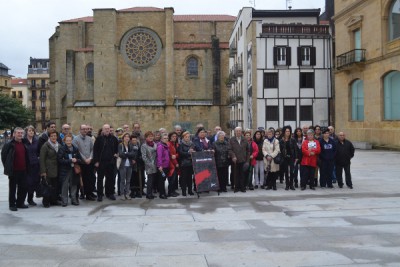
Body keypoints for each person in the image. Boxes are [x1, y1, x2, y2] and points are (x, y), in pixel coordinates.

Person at [1, 127, 29, 211]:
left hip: (23, 170)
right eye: (18, 133)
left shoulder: (24, 143)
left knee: (23, 187)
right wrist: (8, 167)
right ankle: (12, 204)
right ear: (14, 134)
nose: (20, 134)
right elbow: (4, 157)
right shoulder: (9, 144)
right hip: (14, 170)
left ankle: (20, 203)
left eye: (21, 133)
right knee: (12, 188)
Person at [93, 124, 119, 201]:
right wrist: (96, 161)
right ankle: (100, 194)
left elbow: (116, 149)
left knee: (110, 179)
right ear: (103, 130)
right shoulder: (99, 139)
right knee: (100, 179)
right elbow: (95, 151)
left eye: (108, 128)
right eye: (105, 129)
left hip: (111, 162)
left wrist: (116, 154)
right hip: (101, 162)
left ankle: (109, 193)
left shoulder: (114, 139)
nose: (107, 130)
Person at [73, 124, 96, 201]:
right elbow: (77, 151)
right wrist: (84, 159)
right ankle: (83, 193)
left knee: (90, 178)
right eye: (83, 129)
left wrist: (90, 158)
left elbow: (93, 149)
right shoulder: (75, 139)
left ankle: (89, 193)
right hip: (81, 163)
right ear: (80, 130)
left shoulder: (89, 139)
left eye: (86, 129)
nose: (85, 131)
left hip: (89, 162)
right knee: (82, 180)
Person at [57, 134, 82, 206]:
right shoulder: (62, 149)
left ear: (72, 140)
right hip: (65, 170)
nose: (68, 142)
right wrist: (69, 160)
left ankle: (74, 200)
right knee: (64, 186)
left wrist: (76, 160)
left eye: (70, 140)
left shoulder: (75, 148)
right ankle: (64, 201)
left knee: (74, 185)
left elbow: (80, 160)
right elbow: (59, 160)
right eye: (67, 140)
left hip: (74, 170)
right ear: (64, 141)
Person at [40, 129, 60, 207]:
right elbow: (42, 159)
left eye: (55, 136)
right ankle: (46, 201)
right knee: (47, 186)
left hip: (57, 169)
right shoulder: (45, 146)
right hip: (48, 169)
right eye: (52, 136)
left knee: (55, 186)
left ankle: (54, 200)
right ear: (49, 137)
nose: (53, 137)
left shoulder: (59, 145)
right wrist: (43, 171)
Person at [229, 127, 249, 193]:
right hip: (235, 160)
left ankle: (242, 187)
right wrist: (233, 156)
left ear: (241, 132)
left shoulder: (245, 140)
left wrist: (247, 160)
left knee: (242, 175)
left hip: (243, 160)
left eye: (239, 131)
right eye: (237, 131)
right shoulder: (231, 140)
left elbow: (248, 150)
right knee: (235, 175)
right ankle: (236, 187)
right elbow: (230, 150)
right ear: (235, 132)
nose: (238, 132)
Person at [24, 125, 40, 206]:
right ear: (26, 132)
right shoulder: (23, 141)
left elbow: (38, 151)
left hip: (35, 164)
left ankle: (30, 199)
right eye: (29, 131)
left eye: (32, 131)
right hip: (26, 165)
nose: (31, 132)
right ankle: (22, 199)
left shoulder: (36, 140)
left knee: (34, 182)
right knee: (26, 183)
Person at [118, 132, 137, 200]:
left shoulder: (130, 145)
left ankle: (127, 193)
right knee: (122, 180)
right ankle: (122, 194)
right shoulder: (120, 145)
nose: (127, 138)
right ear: (123, 138)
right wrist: (128, 154)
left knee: (128, 180)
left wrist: (126, 153)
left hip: (129, 165)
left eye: (128, 137)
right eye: (125, 136)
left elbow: (133, 154)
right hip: (122, 165)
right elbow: (121, 154)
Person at [279, 126, 298, 190]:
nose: (288, 132)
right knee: (286, 172)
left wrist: (296, 157)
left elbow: (295, 149)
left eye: (289, 131)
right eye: (286, 131)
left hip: (292, 157)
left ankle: (291, 184)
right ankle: (287, 185)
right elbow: (280, 150)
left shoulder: (293, 140)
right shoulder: (281, 140)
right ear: (284, 132)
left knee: (292, 171)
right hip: (285, 158)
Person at [141, 131, 158, 199]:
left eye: (152, 136)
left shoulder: (155, 144)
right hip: (149, 165)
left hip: (156, 164)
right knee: (150, 180)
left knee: (153, 179)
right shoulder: (144, 145)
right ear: (146, 137)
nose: (151, 137)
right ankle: (149, 194)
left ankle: (151, 193)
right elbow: (144, 157)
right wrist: (150, 164)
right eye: (149, 136)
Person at [178, 131, 195, 196]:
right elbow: (180, 153)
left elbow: (194, 151)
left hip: (191, 163)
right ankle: (184, 191)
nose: (187, 138)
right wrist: (188, 152)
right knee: (184, 178)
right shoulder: (181, 144)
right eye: (186, 137)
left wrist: (193, 152)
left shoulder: (192, 144)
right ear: (183, 137)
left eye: (188, 137)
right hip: (184, 163)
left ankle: (190, 190)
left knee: (190, 178)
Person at [156, 133, 170, 199]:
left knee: (164, 179)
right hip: (162, 167)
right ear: (161, 139)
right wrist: (160, 166)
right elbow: (159, 157)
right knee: (161, 180)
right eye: (164, 138)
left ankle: (163, 192)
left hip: (166, 165)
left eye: (167, 138)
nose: (166, 139)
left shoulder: (166, 145)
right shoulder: (160, 146)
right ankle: (161, 194)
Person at [167, 132, 180, 197]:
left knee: (174, 179)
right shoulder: (169, 144)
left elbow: (177, 154)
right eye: (173, 136)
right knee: (171, 179)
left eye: (175, 136)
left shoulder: (176, 144)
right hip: (171, 164)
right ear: (170, 137)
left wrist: (176, 155)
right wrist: (176, 163)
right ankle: (170, 192)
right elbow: (171, 156)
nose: (174, 137)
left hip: (174, 163)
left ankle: (173, 191)